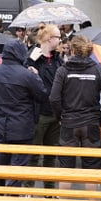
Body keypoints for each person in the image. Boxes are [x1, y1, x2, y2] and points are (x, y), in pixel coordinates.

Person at [0, 39, 48, 184]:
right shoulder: (27, 75)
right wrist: (37, 76)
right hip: (22, 127)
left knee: (0, 167)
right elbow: (42, 95)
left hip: (0, 126)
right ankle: (12, 197)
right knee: (18, 168)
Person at [49, 34, 101, 168]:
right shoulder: (99, 70)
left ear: (72, 50)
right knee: (92, 169)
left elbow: (54, 98)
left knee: (66, 170)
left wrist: (60, 116)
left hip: (68, 122)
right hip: (91, 123)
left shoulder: (63, 70)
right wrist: (100, 119)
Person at [27, 24, 63, 185]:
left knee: (51, 153)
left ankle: (50, 189)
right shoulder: (33, 57)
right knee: (34, 153)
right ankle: (28, 189)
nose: (60, 40)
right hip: (38, 112)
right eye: (58, 37)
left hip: (55, 113)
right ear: (49, 38)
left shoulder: (58, 59)